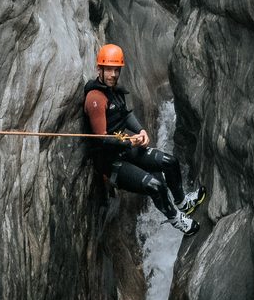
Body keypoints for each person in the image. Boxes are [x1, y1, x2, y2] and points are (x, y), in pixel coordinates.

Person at [83, 43, 205, 234]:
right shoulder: (96, 98)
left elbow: (126, 115)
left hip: (124, 147)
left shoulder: (114, 91)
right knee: (155, 186)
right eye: (109, 70)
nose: (113, 74)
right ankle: (176, 220)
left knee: (170, 162)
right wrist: (129, 141)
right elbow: (102, 140)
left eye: (116, 70)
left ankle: (183, 202)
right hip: (111, 161)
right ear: (100, 68)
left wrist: (141, 131)